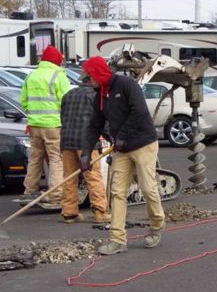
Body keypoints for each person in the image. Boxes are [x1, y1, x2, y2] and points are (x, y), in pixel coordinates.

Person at [81, 56, 165, 255]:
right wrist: (86, 152)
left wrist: (123, 136)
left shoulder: (126, 84)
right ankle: (118, 239)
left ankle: (157, 224)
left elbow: (139, 112)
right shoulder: (99, 95)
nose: (86, 80)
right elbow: (95, 125)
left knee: (147, 187)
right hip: (122, 149)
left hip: (143, 143)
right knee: (117, 192)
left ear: (99, 73)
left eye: (89, 76)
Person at [21, 46, 71, 205]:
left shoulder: (31, 76)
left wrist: (34, 116)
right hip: (53, 125)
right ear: (56, 60)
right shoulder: (58, 75)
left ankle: (29, 191)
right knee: (56, 159)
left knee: (35, 158)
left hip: (34, 125)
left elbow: (24, 101)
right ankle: (56, 194)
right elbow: (67, 101)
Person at [60, 74, 111, 224]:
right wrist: (111, 137)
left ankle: (69, 213)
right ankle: (100, 211)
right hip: (86, 144)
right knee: (93, 176)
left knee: (69, 177)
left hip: (67, 141)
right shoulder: (95, 96)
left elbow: (63, 118)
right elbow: (102, 121)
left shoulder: (68, 95)